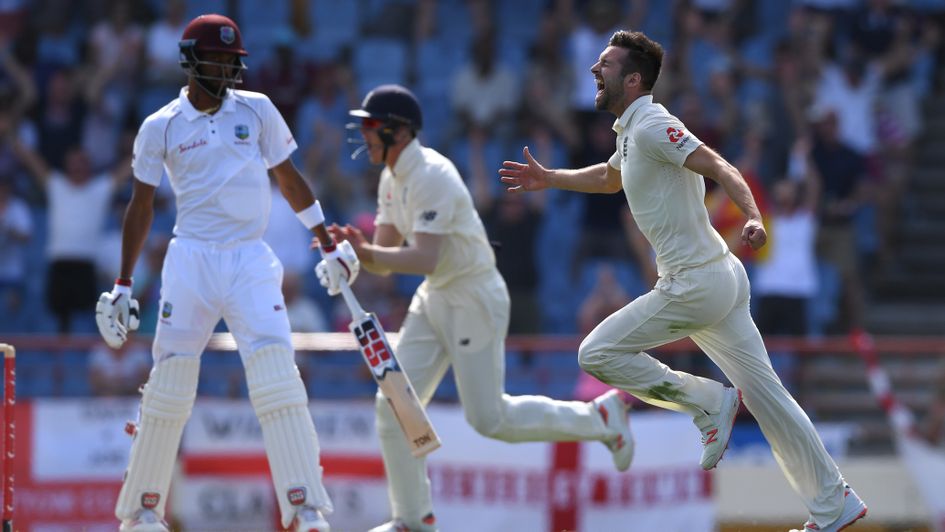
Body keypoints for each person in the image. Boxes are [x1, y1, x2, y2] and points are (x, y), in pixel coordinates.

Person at [499, 30, 867, 532]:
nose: (593, 71)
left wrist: (754, 216)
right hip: (718, 281)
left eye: (604, 64)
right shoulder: (631, 132)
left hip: (696, 283)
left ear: (632, 79)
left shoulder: (651, 124)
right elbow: (610, 178)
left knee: (596, 354)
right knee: (769, 398)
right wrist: (551, 178)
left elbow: (718, 164)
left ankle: (708, 401)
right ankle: (834, 503)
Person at [321, 84, 634, 532]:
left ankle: (600, 416)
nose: (365, 135)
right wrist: (349, 253)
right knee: (392, 406)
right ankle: (412, 520)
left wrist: (365, 254)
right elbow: (384, 255)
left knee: (490, 419)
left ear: (399, 131)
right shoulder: (393, 177)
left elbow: (421, 257)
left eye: (372, 127)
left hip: (473, 296)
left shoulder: (432, 174)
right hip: (437, 296)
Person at [94, 14, 358, 532]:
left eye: (232, 61)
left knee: (278, 376)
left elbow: (289, 179)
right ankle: (144, 511)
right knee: (169, 382)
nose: (227, 70)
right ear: (192, 62)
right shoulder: (161, 125)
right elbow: (140, 207)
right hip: (191, 259)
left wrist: (328, 242)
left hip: (249, 258)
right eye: (217, 60)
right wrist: (123, 284)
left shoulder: (257, 111)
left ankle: (305, 510)